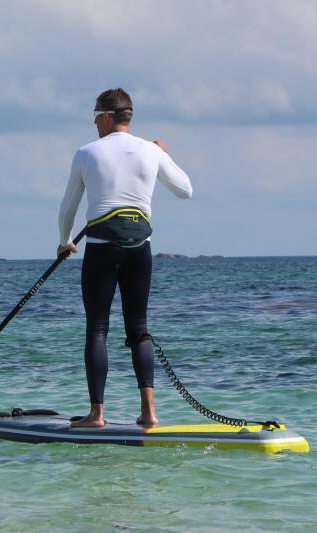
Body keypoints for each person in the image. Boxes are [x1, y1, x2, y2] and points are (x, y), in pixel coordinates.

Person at [57, 88, 193, 428]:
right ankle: (149, 413)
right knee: (139, 330)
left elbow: (68, 207)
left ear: (105, 116)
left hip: (102, 248)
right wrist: (164, 155)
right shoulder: (151, 150)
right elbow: (185, 190)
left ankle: (96, 415)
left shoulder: (87, 153)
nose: (93, 124)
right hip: (140, 248)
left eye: (94, 117)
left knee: (97, 330)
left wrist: (64, 242)